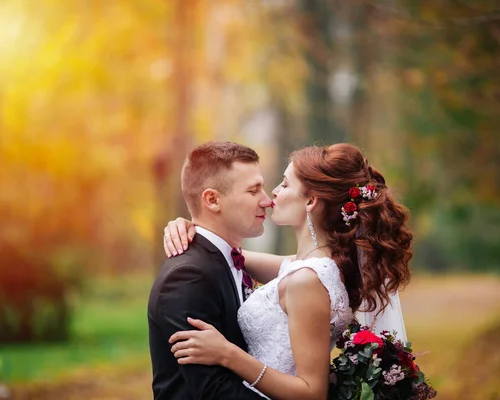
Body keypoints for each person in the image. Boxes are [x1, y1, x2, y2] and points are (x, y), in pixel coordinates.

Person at [164, 143, 413, 400]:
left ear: (310, 200)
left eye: (284, 184)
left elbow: (312, 393)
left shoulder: (307, 279)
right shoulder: (313, 265)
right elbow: (230, 256)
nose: (270, 195)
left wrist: (228, 354)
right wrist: (194, 226)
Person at [147, 141, 272, 399]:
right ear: (212, 200)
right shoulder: (188, 277)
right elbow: (212, 390)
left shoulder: (226, 260)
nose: (267, 201)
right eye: (253, 191)